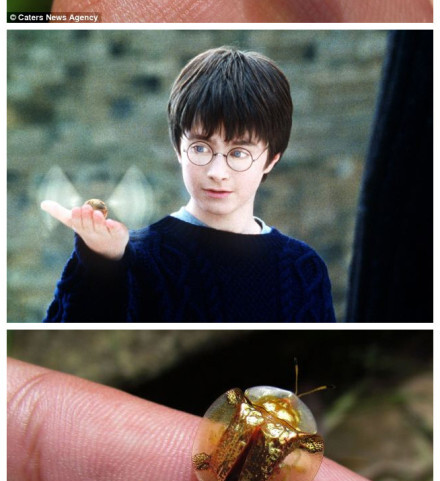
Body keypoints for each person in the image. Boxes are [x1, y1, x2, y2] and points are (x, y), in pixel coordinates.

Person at [42, 47, 336, 323]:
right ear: (177, 148)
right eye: (200, 148)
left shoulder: (304, 269)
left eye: (238, 153)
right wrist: (101, 263)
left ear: (271, 159)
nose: (217, 172)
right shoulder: (133, 256)